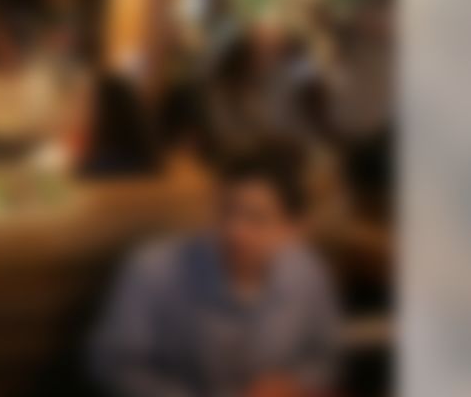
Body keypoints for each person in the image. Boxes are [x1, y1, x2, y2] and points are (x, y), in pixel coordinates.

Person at [91, 158, 340, 397]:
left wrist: (292, 384)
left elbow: (324, 355)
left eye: (256, 219)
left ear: (293, 229)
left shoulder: (306, 272)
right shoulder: (153, 269)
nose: (234, 230)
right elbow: (114, 363)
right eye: (227, 211)